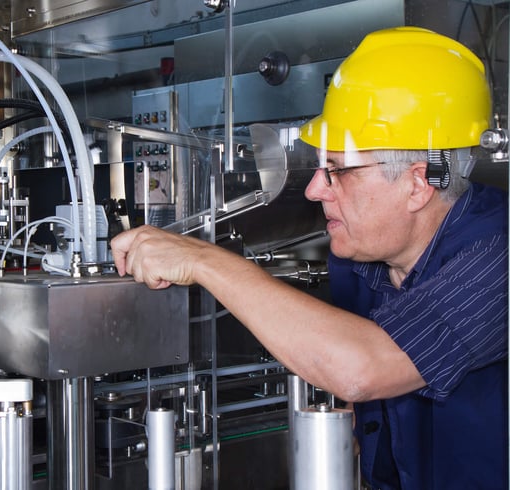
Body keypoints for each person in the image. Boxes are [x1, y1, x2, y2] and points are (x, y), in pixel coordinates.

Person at [110, 26, 508, 489]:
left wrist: (204, 260)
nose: (316, 190)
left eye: (337, 171)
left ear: (418, 183)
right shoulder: (361, 255)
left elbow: (362, 368)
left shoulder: (495, 255)